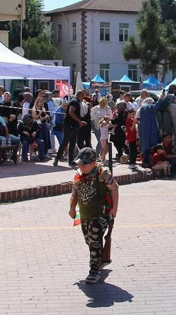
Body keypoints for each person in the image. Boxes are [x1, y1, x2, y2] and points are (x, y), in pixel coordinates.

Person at [67, 148, 119, 284]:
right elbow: (75, 192)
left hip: (101, 213)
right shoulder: (78, 174)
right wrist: (72, 208)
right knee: (89, 241)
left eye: (85, 164)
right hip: (85, 214)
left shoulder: (103, 173)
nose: (81, 166)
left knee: (95, 237)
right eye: (80, 164)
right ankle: (99, 257)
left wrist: (114, 208)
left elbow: (114, 188)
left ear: (93, 163)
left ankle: (94, 270)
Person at [56, 90, 86, 167]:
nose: (84, 98)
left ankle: (71, 160)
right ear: (80, 95)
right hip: (69, 125)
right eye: (83, 96)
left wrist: (80, 121)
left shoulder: (76, 102)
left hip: (74, 125)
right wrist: (79, 121)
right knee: (65, 142)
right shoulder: (74, 102)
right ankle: (57, 158)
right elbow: (71, 112)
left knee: (72, 143)